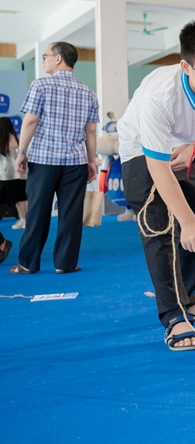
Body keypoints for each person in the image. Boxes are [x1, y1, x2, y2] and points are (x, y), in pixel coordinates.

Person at [117, 18, 195, 351]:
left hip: (192, 145)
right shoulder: (161, 95)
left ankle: (187, 297)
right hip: (143, 154)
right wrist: (183, 222)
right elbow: (158, 167)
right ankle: (173, 316)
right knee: (161, 228)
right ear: (186, 66)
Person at [9, 42, 98, 275]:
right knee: (71, 214)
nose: (43, 60)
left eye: (45, 56)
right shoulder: (88, 91)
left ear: (58, 58)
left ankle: (27, 263)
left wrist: (21, 152)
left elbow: (30, 121)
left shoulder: (41, 84)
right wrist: (91, 161)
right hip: (76, 162)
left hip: (45, 160)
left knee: (37, 212)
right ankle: (66, 264)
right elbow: (90, 132)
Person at [0, 117, 27, 231]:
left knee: (19, 199)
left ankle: (24, 220)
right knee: (20, 198)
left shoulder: (3, 140)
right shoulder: (17, 139)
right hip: (19, 175)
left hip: (6, 176)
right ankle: (23, 220)